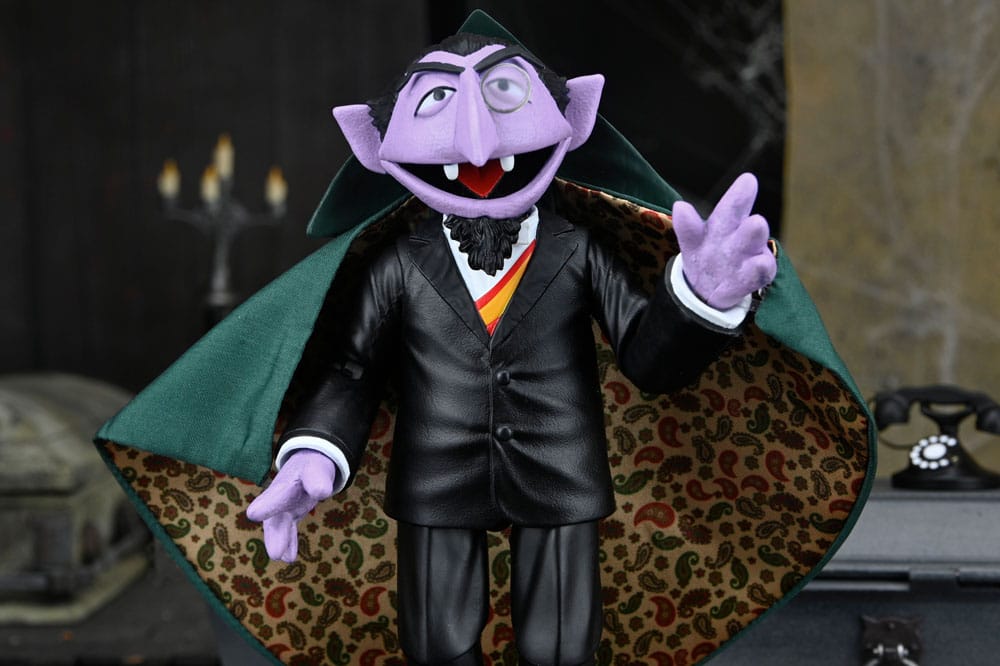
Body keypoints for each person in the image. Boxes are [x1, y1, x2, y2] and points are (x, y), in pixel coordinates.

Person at [245, 32, 775, 666]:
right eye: (438, 99)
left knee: (562, 647)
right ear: (370, 143)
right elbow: (352, 370)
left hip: (560, 469)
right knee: (436, 644)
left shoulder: (578, 250)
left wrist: (700, 300)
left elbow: (646, 358)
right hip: (437, 475)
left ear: (576, 116)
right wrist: (315, 450)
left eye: (504, 92)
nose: (478, 149)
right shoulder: (399, 265)